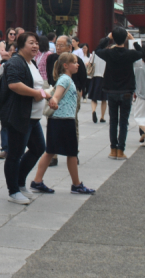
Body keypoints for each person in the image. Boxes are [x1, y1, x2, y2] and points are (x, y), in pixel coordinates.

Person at [31, 53, 95, 196]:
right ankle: (76, 185)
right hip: (63, 120)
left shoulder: (66, 79)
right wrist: (53, 100)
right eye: (74, 62)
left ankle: (38, 180)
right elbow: (57, 95)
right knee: (70, 153)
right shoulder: (65, 79)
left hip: (62, 119)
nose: (78, 64)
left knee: (52, 151)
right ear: (66, 66)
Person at [1, 31, 47, 204]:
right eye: (31, 43)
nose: (35, 46)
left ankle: (20, 184)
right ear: (21, 45)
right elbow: (14, 84)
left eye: (36, 43)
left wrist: (43, 94)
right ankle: (13, 191)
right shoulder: (15, 62)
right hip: (19, 116)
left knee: (38, 148)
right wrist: (36, 93)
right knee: (15, 154)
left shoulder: (31, 62)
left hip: (33, 117)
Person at [96, 27, 142, 160]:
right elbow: (141, 52)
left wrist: (107, 38)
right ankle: (121, 150)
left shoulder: (108, 53)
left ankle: (113, 149)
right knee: (123, 121)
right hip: (126, 90)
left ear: (113, 38)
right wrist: (133, 40)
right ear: (126, 38)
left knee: (113, 121)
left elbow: (97, 50)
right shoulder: (130, 54)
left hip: (111, 90)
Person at [89, 37, 110, 124]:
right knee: (104, 99)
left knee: (94, 98)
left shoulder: (95, 52)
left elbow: (90, 63)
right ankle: (102, 117)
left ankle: (94, 110)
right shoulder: (108, 53)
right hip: (104, 77)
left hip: (95, 76)